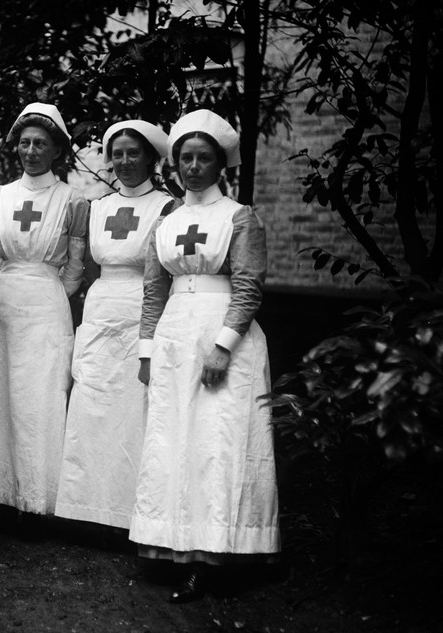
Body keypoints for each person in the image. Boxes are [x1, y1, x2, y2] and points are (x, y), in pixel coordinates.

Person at [130, 109, 280, 602]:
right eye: (185, 158)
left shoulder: (238, 217)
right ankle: (175, 544)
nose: (193, 167)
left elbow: (248, 286)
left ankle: (216, 557)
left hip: (221, 338)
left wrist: (223, 347)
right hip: (174, 332)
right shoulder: (167, 218)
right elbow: (154, 290)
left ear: (221, 165)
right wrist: (147, 350)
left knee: (219, 444)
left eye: (203, 158)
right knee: (175, 440)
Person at [55, 121, 175, 534]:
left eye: (133, 153)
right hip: (101, 308)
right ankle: (85, 511)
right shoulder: (98, 207)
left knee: (133, 410)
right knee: (93, 403)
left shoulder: (166, 207)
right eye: (117, 154)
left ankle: (129, 516)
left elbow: (167, 273)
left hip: (143, 310)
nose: (124, 161)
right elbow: (87, 268)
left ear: (151, 157)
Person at [0, 103, 88, 536]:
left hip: (45, 306)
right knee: (1, 397)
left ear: (57, 149)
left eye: (40, 144)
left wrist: (48, 294)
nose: (31, 151)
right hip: (0, 305)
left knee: (40, 398)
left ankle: (37, 502)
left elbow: (77, 266)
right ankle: (3, 498)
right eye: (25, 143)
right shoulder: (0, 195)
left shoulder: (72, 199)